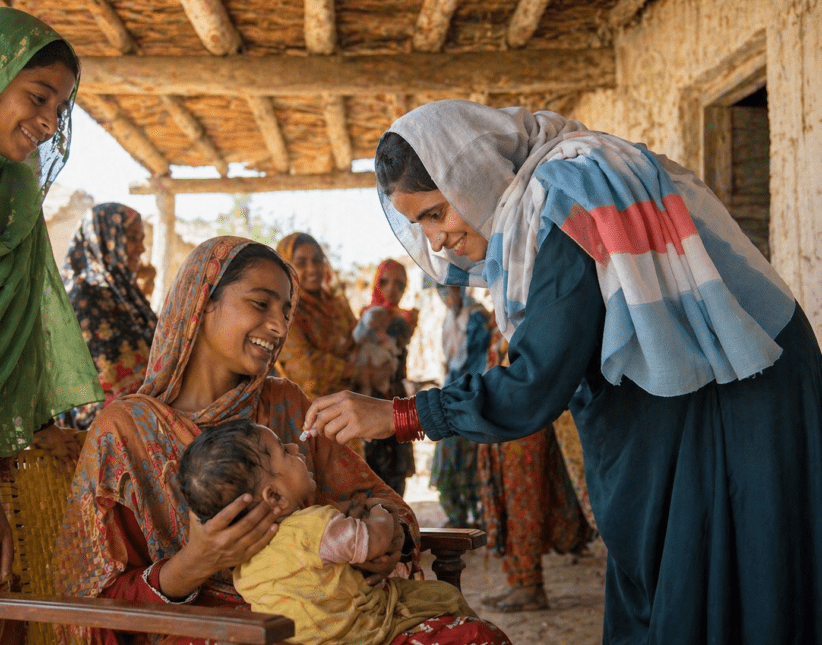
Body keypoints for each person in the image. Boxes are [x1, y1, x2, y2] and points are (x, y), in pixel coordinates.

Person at [305, 100, 822, 643]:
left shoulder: (566, 198)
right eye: (419, 224)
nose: (434, 240)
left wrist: (403, 415)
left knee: (721, 578)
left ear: (473, 175)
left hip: (735, 402)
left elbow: (535, 383)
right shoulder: (552, 200)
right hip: (704, 397)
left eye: (436, 212)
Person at [53, 238, 422, 645]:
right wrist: (193, 563)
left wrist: (391, 541)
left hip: (329, 621)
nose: (280, 327)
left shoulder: (286, 405)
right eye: (261, 304)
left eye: (285, 311)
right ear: (203, 302)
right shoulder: (126, 433)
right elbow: (88, 604)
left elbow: (379, 500)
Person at [0, 7, 103, 591]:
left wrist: (42, 425)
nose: (48, 122)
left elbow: (17, 334)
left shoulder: (14, 199)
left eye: (58, 108)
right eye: (38, 97)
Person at [177, 419, 511, 645]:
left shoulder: (244, 565)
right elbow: (374, 540)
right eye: (284, 450)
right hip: (368, 635)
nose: (296, 447)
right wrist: (381, 510)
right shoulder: (313, 526)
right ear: (275, 497)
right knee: (469, 627)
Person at [477, 312, 594, 612]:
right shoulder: (504, 305)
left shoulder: (529, 308)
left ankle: (530, 584)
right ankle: (517, 582)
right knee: (509, 500)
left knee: (523, 503)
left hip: (525, 427)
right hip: (505, 421)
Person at [60, 202, 158, 429]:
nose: (142, 249)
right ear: (105, 238)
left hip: (140, 422)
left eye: (142, 239)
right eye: (133, 238)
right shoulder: (85, 294)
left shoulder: (126, 293)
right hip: (103, 432)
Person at [274, 232, 369, 457]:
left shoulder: (336, 307)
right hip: (307, 422)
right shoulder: (285, 313)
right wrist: (354, 370)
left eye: (317, 260)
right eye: (301, 262)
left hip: (348, 421)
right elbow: (306, 368)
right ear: (286, 267)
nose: (313, 269)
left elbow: (358, 346)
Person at [428, 286, 490, 529]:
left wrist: (462, 392)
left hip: (472, 395)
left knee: (473, 455)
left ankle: (481, 514)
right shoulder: (450, 318)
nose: (448, 295)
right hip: (452, 394)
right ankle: (457, 514)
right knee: (450, 453)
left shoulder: (476, 317)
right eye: (442, 289)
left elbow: (478, 363)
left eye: (453, 287)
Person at [360, 259, 418, 496]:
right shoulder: (366, 318)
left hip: (397, 399)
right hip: (369, 397)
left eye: (400, 284)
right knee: (372, 474)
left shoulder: (407, 319)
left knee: (397, 474)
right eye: (385, 282)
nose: (392, 289)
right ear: (377, 283)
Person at [352, 306, 399, 396]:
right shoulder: (360, 342)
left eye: (383, 326)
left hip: (380, 382)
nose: (380, 330)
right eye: (375, 328)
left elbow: (391, 361)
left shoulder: (388, 342)